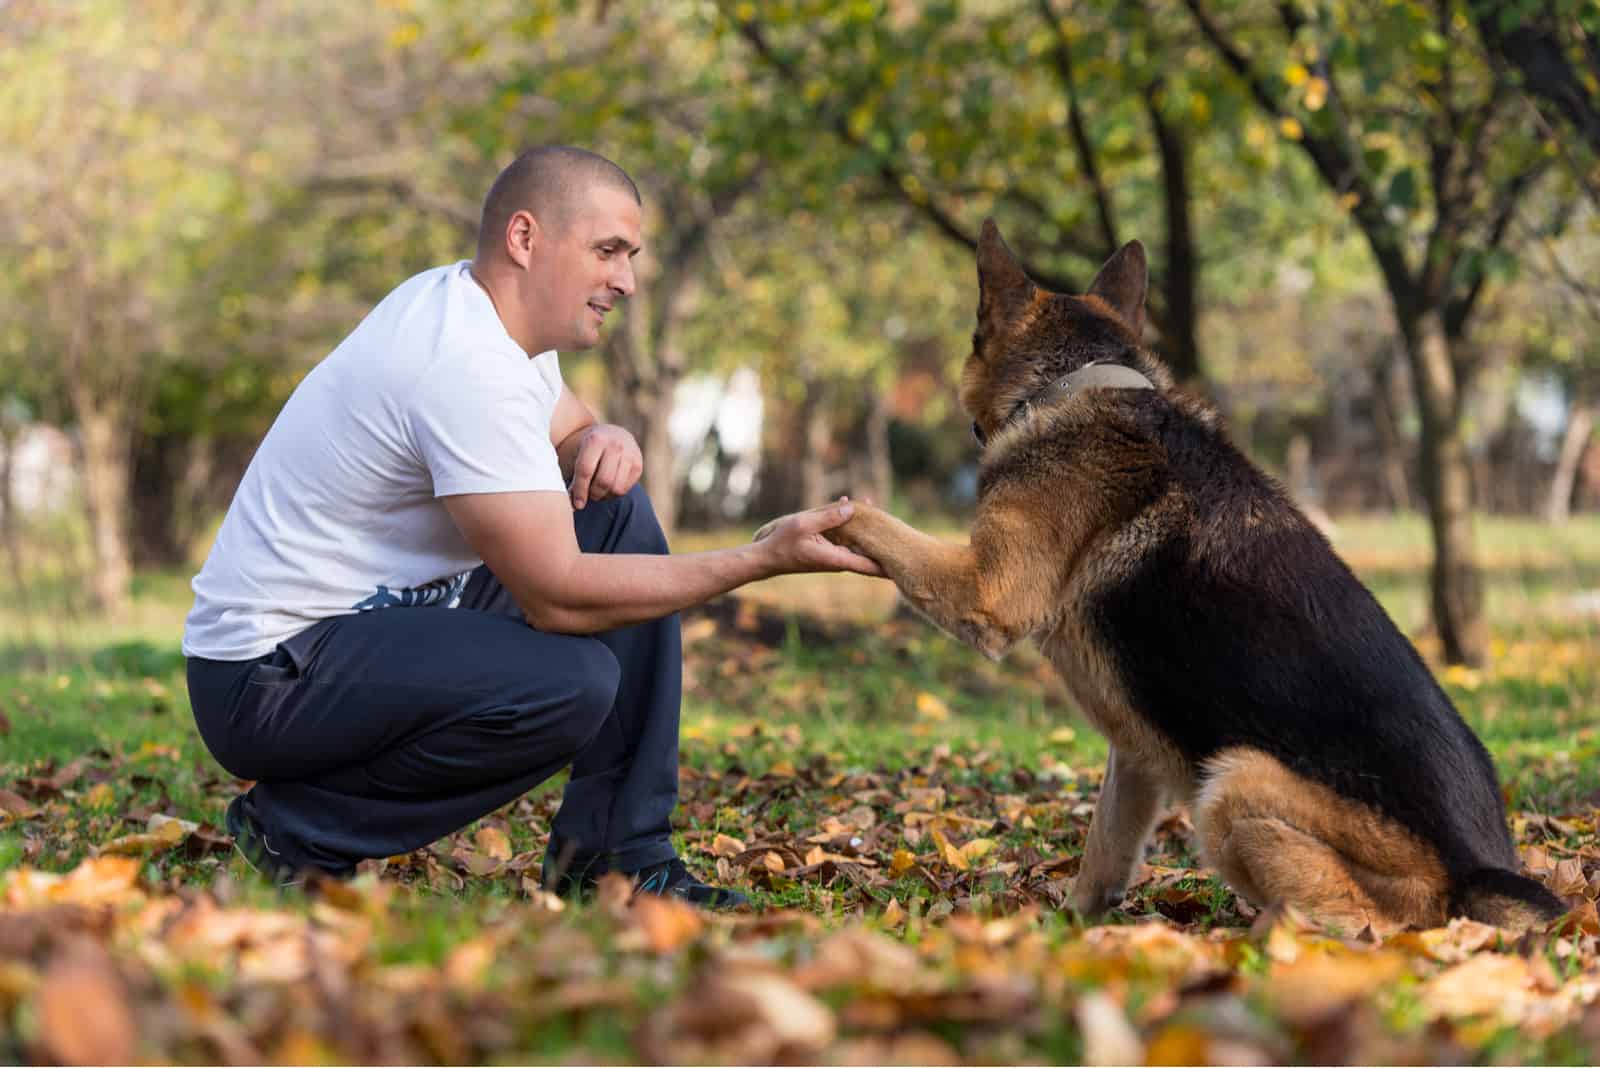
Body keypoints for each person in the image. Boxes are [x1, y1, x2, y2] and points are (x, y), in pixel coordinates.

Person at [182, 145, 880, 908]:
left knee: (611, 511)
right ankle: (301, 831)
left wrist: (597, 439)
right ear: (525, 239)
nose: (627, 280)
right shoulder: (459, 361)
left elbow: (566, 426)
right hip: (265, 675)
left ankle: (615, 856)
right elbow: (557, 598)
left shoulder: (484, 317)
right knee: (569, 686)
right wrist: (759, 559)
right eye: (608, 251)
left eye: (633, 256)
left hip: (367, 631)